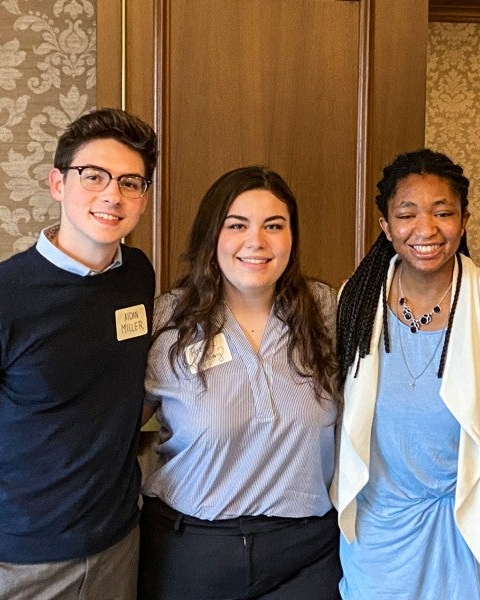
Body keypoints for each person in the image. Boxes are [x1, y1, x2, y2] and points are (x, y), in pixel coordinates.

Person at [0, 107, 158, 600]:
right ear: (57, 183)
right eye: (94, 176)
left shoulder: (138, 276)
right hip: (19, 563)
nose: (113, 194)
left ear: (143, 198)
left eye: (131, 182)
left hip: (120, 544)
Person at [332, 149, 480, 599]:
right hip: (378, 525)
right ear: (385, 226)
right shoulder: (358, 298)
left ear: (464, 220)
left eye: (443, 212)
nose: (425, 229)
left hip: (465, 522)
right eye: (407, 214)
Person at [137, 166, 341, 600]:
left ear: (292, 237)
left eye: (274, 226)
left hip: (307, 554)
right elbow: (111, 431)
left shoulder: (326, 311)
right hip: (191, 551)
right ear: (212, 236)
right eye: (237, 225)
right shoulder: (167, 321)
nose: (256, 242)